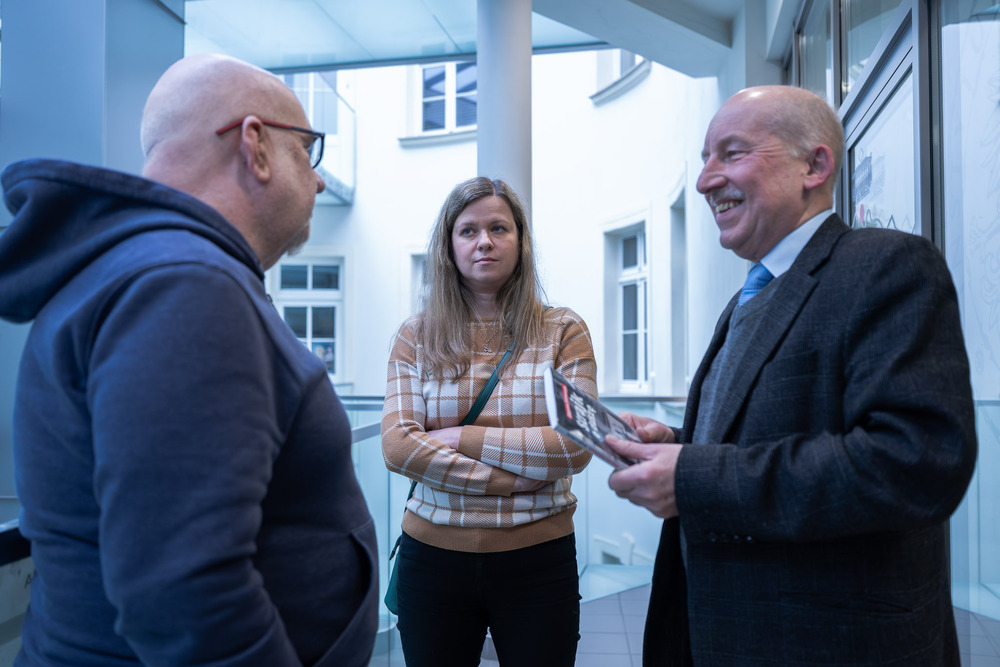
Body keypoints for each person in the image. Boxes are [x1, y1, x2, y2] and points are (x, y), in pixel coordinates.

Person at [0, 54, 378, 666]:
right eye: (305, 150)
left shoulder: (150, 270)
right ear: (255, 146)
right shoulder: (185, 286)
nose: (316, 182)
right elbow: (184, 595)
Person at [605, 85, 977, 666]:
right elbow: (771, 434)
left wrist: (693, 477)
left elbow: (916, 462)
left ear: (814, 165)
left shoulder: (888, 266)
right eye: (705, 158)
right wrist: (675, 445)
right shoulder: (749, 296)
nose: (704, 181)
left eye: (732, 153)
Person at [381, 176, 596, 667]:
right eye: (468, 230)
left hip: (539, 559)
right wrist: (508, 480)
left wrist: (460, 436)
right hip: (432, 558)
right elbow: (397, 447)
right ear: (449, 246)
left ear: (520, 241)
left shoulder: (563, 330)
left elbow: (575, 445)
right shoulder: (415, 335)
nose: (484, 241)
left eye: (498, 228)